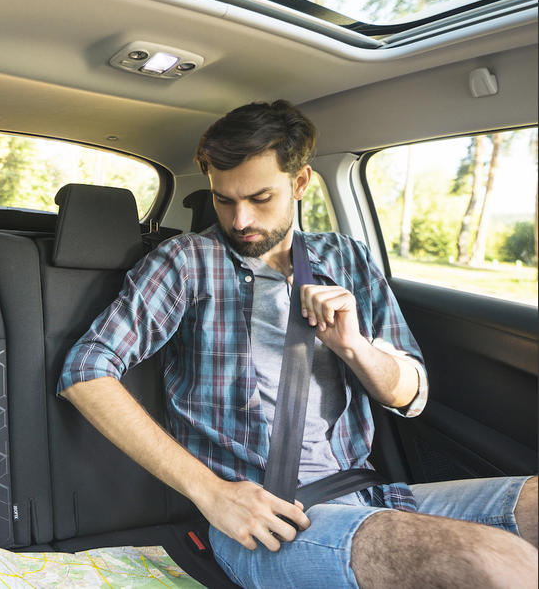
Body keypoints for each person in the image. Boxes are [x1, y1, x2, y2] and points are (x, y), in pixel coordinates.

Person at [58, 100, 537, 588]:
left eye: (260, 197)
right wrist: (212, 492)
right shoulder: (187, 261)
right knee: (489, 563)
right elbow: (86, 370)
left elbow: (409, 394)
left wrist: (355, 347)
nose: (240, 219)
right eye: (224, 200)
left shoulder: (346, 257)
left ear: (301, 183)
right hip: (262, 521)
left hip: (371, 493)